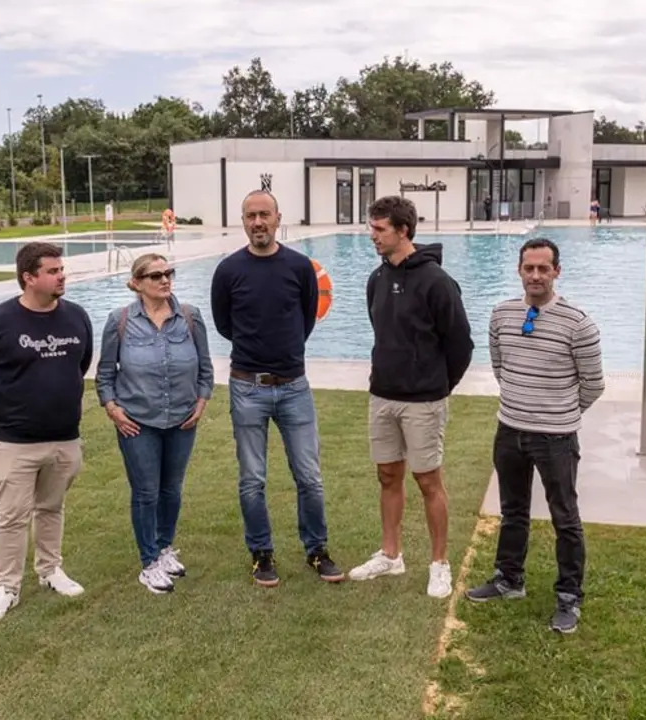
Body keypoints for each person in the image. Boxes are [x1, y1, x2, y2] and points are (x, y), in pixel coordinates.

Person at [466, 237, 606, 635]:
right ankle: (509, 579)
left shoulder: (578, 324)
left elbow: (593, 385)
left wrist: (560, 413)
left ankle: (569, 597)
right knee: (513, 511)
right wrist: (521, 403)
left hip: (556, 437)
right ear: (519, 270)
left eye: (544, 268)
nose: (536, 275)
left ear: (557, 271)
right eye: (529, 268)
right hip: (509, 429)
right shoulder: (501, 314)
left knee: (565, 517)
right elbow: (499, 366)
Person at [210, 189, 345, 587]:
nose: (258, 222)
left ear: (277, 217)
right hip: (247, 387)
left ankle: (316, 550)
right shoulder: (228, 270)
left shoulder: (299, 266)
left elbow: (306, 319)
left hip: (294, 387)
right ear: (243, 221)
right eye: (250, 215)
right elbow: (224, 325)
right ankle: (261, 553)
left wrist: (285, 354)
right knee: (253, 478)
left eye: (264, 214)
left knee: (309, 476)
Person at [349, 195, 473, 599]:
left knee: (427, 481)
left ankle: (440, 564)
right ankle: (391, 555)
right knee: (388, 476)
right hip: (382, 396)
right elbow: (380, 330)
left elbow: (461, 345)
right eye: (372, 228)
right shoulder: (376, 279)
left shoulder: (437, 281)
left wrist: (437, 386)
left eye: (379, 229)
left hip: (424, 401)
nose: (373, 236)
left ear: (403, 231)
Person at [0, 241, 93, 623]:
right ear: (29, 278)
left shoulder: (77, 317)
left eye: (61, 269)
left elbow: (80, 364)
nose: (62, 275)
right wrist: (8, 405)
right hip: (14, 441)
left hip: (65, 436)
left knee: (51, 508)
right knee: (11, 516)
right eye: (53, 271)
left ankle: (50, 570)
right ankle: (7, 587)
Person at [96, 253, 213, 595]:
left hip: (181, 419)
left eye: (168, 273)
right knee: (146, 492)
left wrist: (202, 401)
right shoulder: (119, 321)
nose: (165, 280)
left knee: (171, 490)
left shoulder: (189, 317)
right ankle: (149, 562)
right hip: (137, 422)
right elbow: (105, 375)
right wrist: (112, 409)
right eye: (155, 275)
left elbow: (205, 367)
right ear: (136, 283)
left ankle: (163, 549)